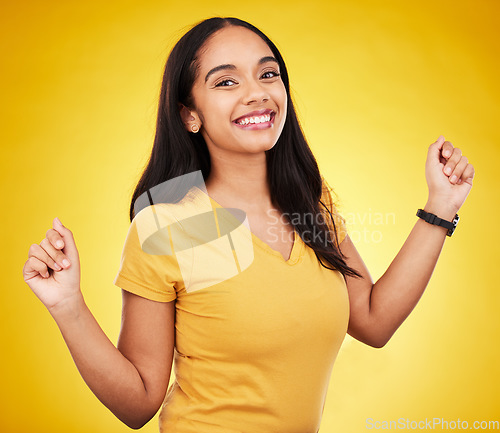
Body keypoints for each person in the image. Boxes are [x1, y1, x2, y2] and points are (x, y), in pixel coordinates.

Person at [22, 16, 475, 433]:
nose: (257, 91)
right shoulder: (175, 223)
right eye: (225, 81)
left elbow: (374, 322)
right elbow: (140, 402)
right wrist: (68, 306)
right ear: (189, 114)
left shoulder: (309, 204)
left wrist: (441, 206)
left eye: (268, 73)